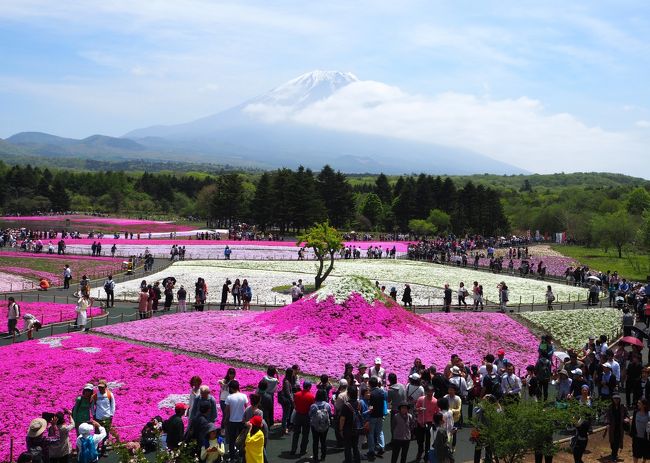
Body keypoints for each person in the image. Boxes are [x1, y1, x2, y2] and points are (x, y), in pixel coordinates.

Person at [224, 380, 249, 461]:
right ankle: (242, 455)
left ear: (231, 388)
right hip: (242, 421)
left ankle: (232, 457)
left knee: (232, 440)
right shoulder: (244, 396)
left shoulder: (229, 397)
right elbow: (246, 408)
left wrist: (225, 420)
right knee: (242, 439)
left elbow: (227, 411)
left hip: (232, 421)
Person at [91, 380, 115, 457]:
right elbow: (92, 406)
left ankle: (103, 450)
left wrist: (111, 414)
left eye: (102, 387)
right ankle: (96, 449)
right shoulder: (95, 395)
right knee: (97, 434)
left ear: (105, 387)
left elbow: (113, 405)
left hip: (107, 417)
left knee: (106, 435)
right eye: (99, 387)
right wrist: (93, 414)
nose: (100, 389)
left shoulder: (109, 394)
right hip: (98, 418)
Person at [291, 380, 316, 456]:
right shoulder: (311, 396)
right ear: (309, 387)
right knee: (305, 434)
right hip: (306, 417)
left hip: (298, 415)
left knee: (296, 434)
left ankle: (293, 449)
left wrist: (297, 408)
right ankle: (303, 450)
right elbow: (312, 407)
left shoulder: (296, 394)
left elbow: (294, 403)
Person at [414, 385, 438, 462]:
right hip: (420, 422)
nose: (430, 393)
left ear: (433, 392)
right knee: (420, 439)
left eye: (431, 392)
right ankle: (420, 450)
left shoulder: (435, 401)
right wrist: (419, 409)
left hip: (429, 422)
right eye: (428, 392)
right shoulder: (421, 399)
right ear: (426, 392)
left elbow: (437, 412)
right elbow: (416, 409)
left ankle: (426, 455)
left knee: (428, 440)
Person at [340, 386, 363, 463]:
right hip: (356, 428)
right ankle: (357, 460)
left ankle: (348, 460)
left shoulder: (346, 405)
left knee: (347, 447)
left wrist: (341, 429)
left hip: (347, 429)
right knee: (355, 446)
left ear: (348, 394)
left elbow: (342, 419)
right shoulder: (359, 403)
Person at [604, 393, 628, 463]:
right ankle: (614, 452)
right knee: (612, 441)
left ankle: (614, 456)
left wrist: (626, 419)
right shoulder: (610, 407)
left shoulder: (623, 407)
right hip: (612, 427)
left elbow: (627, 415)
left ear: (619, 399)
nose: (616, 400)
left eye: (617, 399)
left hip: (620, 427)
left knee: (617, 441)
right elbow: (606, 416)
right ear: (612, 399)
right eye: (615, 398)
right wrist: (607, 423)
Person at [309, 389, 332, 462]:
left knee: (315, 441)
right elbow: (329, 414)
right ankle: (323, 456)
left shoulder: (313, 405)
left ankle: (315, 457)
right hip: (325, 425)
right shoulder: (327, 405)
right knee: (323, 441)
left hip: (315, 426)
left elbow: (310, 415)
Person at [631, 398, 650, 463]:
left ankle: (644, 461)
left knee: (645, 452)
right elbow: (633, 423)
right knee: (635, 452)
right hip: (636, 437)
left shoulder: (648, 414)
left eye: (639, 403)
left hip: (645, 437)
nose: (637, 404)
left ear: (644, 405)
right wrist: (632, 433)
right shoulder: (635, 412)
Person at [279, 368, 295, 435]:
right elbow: (288, 393)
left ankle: (284, 428)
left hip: (286, 400)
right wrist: (292, 401)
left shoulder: (287, 380)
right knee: (285, 415)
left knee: (285, 415)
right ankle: (284, 429)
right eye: (292, 373)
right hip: (286, 401)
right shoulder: (286, 382)